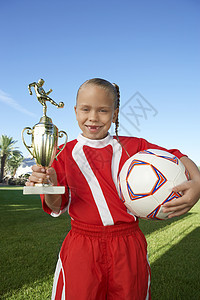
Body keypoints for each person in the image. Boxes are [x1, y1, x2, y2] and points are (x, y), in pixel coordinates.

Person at [26, 78, 200, 300]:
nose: (93, 117)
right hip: (82, 245)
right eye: (85, 109)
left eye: (103, 110)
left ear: (115, 114)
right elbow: (56, 205)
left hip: (128, 245)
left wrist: (197, 182)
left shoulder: (135, 147)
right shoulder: (61, 153)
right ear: (75, 110)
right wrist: (48, 185)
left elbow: (176, 155)